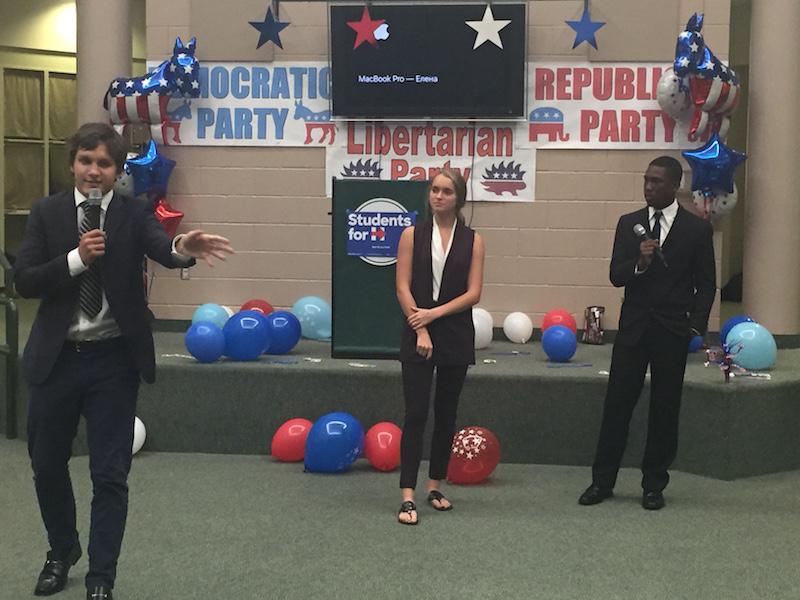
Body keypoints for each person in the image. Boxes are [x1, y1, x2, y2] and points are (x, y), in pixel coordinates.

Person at [14, 122, 233, 600]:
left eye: (105, 163)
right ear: (72, 163)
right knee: (47, 465)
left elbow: (163, 247)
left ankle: (101, 577)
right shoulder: (47, 213)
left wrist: (182, 251)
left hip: (113, 361)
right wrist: (75, 259)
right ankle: (61, 550)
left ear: (117, 171)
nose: (94, 171)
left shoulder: (133, 214)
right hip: (57, 361)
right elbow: (25, 281)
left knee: (109, 473)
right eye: (86, 161)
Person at [578, 155, 716, 511]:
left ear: (674, 186)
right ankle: (602, 482)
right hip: (634, 330)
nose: (649, 187)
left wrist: (695, 327)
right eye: (646, 180)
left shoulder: (696, 230)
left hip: (673, 331)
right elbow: (616, 275)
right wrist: (639, 263)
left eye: (656, 181)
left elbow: (707, 284)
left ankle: (654, 485)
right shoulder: (629, 225)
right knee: (617, 406)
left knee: (665, 409)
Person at [394, 168, 485, 525]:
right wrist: (421, 326)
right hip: (417, 331)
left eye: (447, 191)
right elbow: (402, 287)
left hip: (455, 333)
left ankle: (435, 486)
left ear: (458, 198)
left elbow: (474, 293)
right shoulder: (411, 235)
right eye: (434, 189)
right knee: (416, 413)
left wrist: (434, 315)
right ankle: (407, 495)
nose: (439, 196)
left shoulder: (474, 240)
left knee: (446, 414)